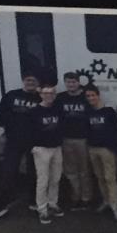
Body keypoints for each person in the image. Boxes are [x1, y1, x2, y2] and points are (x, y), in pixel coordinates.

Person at [0, 73, 43, 223]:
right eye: (28, 80)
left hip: (34, 142)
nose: (30, 82)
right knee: (8, 172)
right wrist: (0, 129)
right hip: (13, 141)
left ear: (38, 83)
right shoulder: (12, 95)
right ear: (23, 81)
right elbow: (0, 113)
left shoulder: (41, 98)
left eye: (33, 80)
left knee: (34, 173)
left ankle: (34, 202)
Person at [82, 87, 117, 222]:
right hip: (93, 149)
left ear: (98, 95)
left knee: (110, 178)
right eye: (88, 96)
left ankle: (115, 206)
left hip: (106, 150)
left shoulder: (109, 111)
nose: (91, 98)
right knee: (100, 177)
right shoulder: (88, 113)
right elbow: (86, 130)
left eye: (93, 95)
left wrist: (112, 146)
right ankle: (106, 201)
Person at [56, 71, 94, 208]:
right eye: (68, 82)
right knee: (70, 170)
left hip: (83, 139)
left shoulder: (86, 97)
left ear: (78, 83)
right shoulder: (60, 97)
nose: (71, 85)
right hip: (66, 139)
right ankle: (75, 196)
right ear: (65, 83)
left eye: (73, 82)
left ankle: (86, 197)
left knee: (84, 170)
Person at [29, 92, 69, 225]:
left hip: (56, 148)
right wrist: (32, 147)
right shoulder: (34, 111)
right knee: (43, 180)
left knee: (55, 178)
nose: (49, 95)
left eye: (51, 93)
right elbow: (27, 130)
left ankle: (52, 203)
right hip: (41, 149)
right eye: (46, 93)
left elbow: (62, 126)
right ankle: (42, 209)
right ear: (41, 95)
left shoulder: (58, 109)